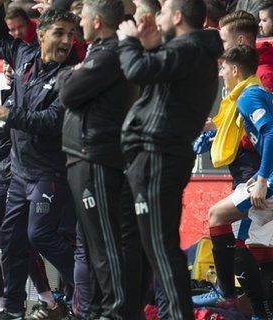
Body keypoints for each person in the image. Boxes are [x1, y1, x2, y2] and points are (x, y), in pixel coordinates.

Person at [116, 0, 223, 318]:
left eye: (162, 11)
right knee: (141, 244)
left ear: (177, 16)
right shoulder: (187, 51)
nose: (155, 17)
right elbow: (155, 84)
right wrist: (150, 47)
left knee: (159, 245)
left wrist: (129, 42)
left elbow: (136, 71)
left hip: (158, 156)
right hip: (152, 155)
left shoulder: (189, 50)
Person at [0, 0, 80, 317]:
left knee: (38, 234)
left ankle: (90, 288)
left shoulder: (68, 76)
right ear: (40, 34)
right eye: (59, 33)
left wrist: (10, 113)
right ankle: (13, 310)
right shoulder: (23, 55)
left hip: (49, 173)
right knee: (12, 242)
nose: (67, 40)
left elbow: (51, 122)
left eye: (71, 34)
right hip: (20, 174)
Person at [58, 0, 137, 318]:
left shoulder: (108, 53)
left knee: (103, 243)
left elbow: (67, 93)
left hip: (96, 157)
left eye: (84, 16)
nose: (79, 21)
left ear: (99, 21)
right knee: (95, 244)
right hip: (85, 155)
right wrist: (71, 74)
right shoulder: (99, 52)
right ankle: (106, 310)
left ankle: (114, 312)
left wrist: (68, 76)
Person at [192, 45, 273, 316]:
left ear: (235, 70)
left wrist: (262, 178)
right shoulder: (254, 92)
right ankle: (262, 312)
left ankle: (226, 292)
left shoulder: (248, 97)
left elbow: (271, 132)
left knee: (217, 215)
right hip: (262, 177)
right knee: (256, 245)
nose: (221, 73)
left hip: (266, 179)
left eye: (224, 68)